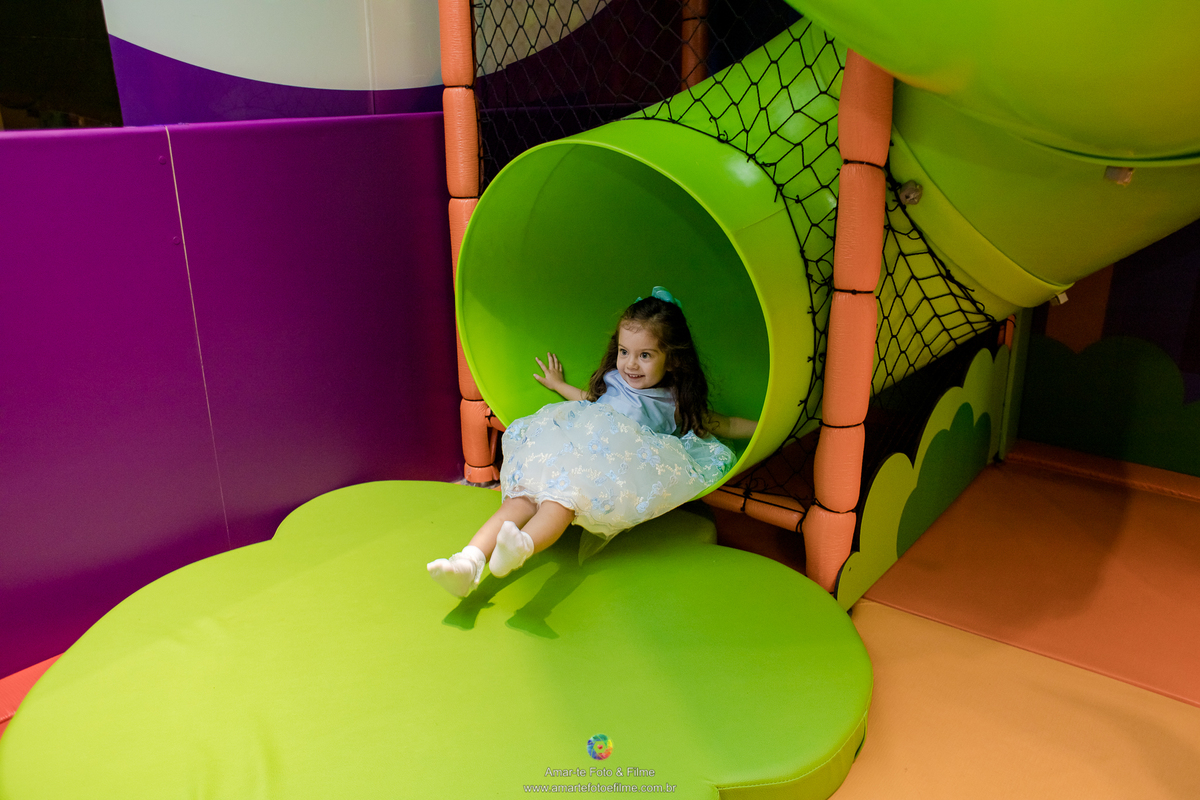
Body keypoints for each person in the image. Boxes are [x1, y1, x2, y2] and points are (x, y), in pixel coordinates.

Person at [427, 287, 758, 597]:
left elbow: (725, 423)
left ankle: (523, 545)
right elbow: (590, 402)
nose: (630, 364)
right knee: (521, 498)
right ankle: (468, 561)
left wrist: (765, 429)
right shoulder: (615, 379)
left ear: (672, 360)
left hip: (607, 468)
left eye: (645, 355)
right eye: (625, 352)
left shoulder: (673, 403)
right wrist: (558, 385)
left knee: (559, 502)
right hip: (572, 446)